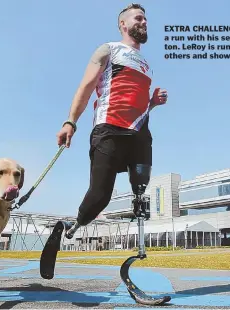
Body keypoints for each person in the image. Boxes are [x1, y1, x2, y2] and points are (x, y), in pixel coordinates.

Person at [55, 3, 167, 239]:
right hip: (109, 128)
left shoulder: (147, 65)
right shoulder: (108, 50)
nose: (144, 23)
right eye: (139, 19)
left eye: (146, 20)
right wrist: (70, 122)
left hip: (139, 131)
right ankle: (74, 225)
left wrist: (153, 103)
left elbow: (138, 104)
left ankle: (140, 246)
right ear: (123, 24)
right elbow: (85, 88)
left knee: (140, 187)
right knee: (100, 196)